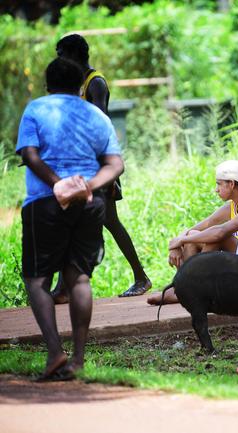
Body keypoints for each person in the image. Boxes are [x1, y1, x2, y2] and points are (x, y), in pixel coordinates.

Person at [16, 57, 124, 380]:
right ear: (81, 86)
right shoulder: (96, 115)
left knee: (37, 280)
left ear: (47, 84)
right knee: (79, 279)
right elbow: (115, 164)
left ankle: (54, 352)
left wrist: (58, 184)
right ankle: (78, 358)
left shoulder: (35, 110)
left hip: (44, 204)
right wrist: (86, 186)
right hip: (89, 205)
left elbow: (29, 154)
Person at [55, 33, 151, 298]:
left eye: (62, 56)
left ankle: (140, 277)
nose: (60, 62)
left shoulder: (94, 83)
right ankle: (65, 287)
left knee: (109, 221)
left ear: (74, 55)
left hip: (98, 166)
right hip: (82, 165)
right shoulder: (75, 84)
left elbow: (99, 124)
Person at [146, 160, 238, 305]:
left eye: (219, 184)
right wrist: (177, 243)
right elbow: (201, 226)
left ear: (231, 184)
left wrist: (182, 241)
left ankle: (191, 290)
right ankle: (183, 286)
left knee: (218, 238)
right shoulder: (230, 207)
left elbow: (220, 232)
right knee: (193, 234)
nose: (216, 189)